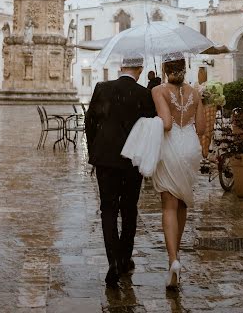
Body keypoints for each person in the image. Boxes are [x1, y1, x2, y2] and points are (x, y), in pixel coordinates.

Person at [85, 57, 156, 286]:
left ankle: (112, 262)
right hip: (131, 162)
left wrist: (94, 151)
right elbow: (150, 129)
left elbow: (89, 123)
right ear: (141, 69)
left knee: (107, 209)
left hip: (105, 160)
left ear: (121, 67)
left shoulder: (103, 88)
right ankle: (125, 258)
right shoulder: (145, 94)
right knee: (129, 209)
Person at [151, 56, 205, 289]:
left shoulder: (158, 90)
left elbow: (166, 124)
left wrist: (148, 123)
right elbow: (202, 128)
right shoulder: (195, 92)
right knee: (182, 202)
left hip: (171, 146)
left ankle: (173, 260)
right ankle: (177, 255)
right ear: (185, 68)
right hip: (191, 147)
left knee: (168, 205)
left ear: (164, 69)